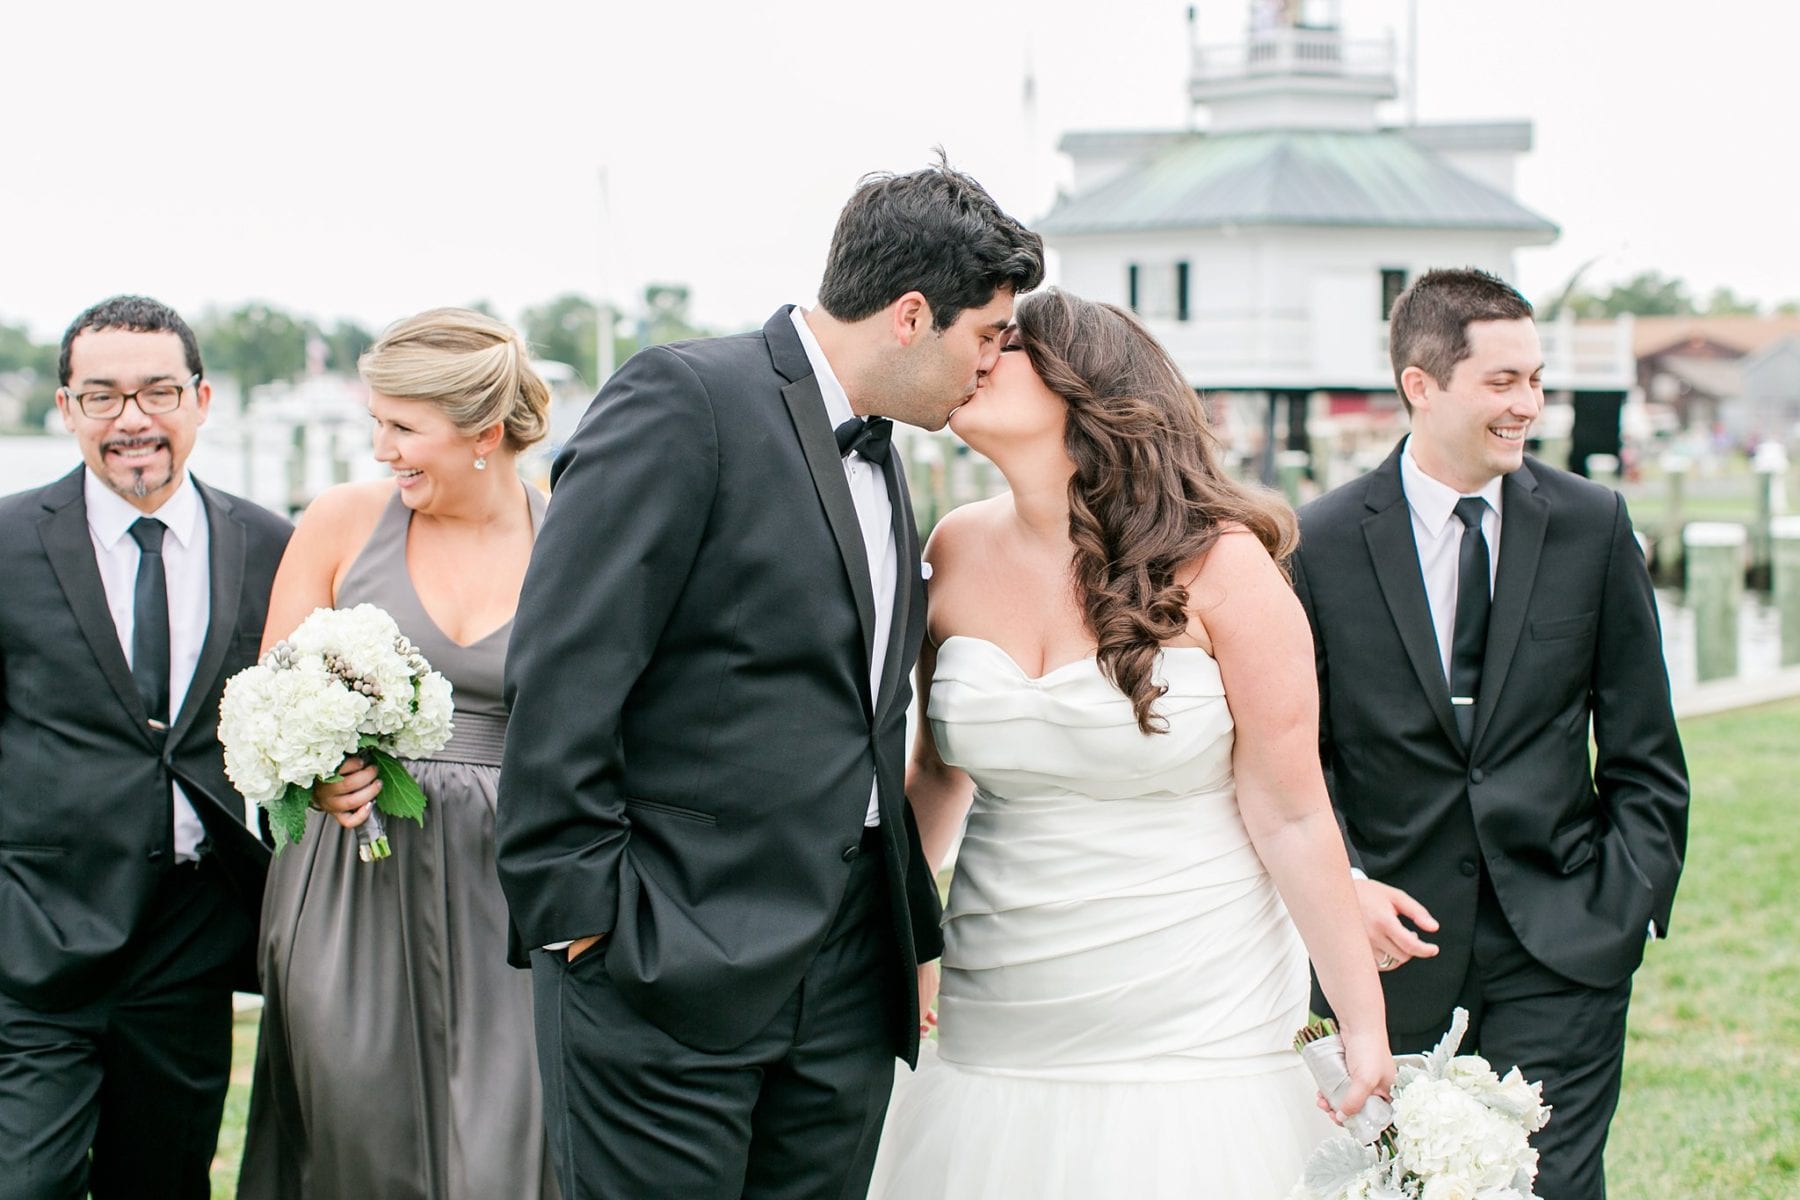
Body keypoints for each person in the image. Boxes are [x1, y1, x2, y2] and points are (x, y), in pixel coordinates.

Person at [494, 159, 1044, 1200]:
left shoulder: (894, 463)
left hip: (842, 986)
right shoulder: (685, 397)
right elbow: (564, 671)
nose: (992, 364)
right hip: (662, 966)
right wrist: (586, 922)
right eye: (986, 336)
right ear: (911, 314)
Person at [865, 288, 1390, 1199]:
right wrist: (901, 942)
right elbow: (936, 777)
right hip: (1001, 999)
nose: (976, 358)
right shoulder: (950, 549)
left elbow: (1294, 812)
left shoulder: (1225, 567)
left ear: (1088, 387)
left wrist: (1363, 1021)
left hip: (1191, 1008)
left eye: (1005, 344)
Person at [1291, 268, 1689, 1199]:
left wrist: (1623, 905)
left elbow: (1646, 751)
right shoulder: (1320, 542)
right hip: (1391, 960)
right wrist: (1343, 889)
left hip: (1566, 946)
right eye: (1503, 383)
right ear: (1420, 385)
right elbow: (1295, 763)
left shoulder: (1592, 526)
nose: (1531, 406)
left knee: (1552, 1189)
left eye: (1537, 380)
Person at [237, 308, 557, 1199]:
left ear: (484, 434)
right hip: (350, 874)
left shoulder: (565, 536)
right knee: (356, 1141)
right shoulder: (342, 521)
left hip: (510, 884)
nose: (383, 450)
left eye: (404, 428)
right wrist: (318, 772)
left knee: (505, 1151)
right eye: (376, 423)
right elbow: (266, 701)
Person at [0, 296, 291, 1200]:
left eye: (158, 392)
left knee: (163, 1184)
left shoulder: (272, 544)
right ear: (66, 409)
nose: (133, 418)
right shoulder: (5, 543)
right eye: (103, 396)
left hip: (188, 938)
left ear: (202, 400)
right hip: (32, 932)